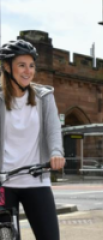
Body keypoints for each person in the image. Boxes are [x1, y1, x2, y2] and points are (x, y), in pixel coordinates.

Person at [0, 39, 65, 240]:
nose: (28, 71)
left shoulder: (44, 97)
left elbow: (53, 129)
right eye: (22, 65)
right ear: (6, 67)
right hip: (3, 183)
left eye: (31, 66)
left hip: (36, 180)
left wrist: (56, 153)